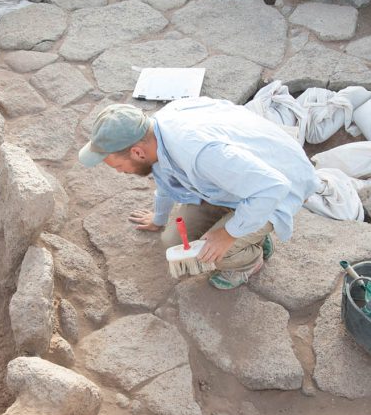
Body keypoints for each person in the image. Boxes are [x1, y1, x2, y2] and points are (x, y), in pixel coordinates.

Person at [78, 98, 324, 290]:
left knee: (215, 254)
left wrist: (228, 234)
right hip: (235, 181)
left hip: (278, 187)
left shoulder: (199, 153)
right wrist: (159, 218)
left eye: (119, 167)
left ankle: (250, 259)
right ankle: (248, 229)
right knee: (173, 242)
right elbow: (165, 180)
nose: (120, 173)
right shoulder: (155, 131)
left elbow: (273, 187)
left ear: (137, 153)